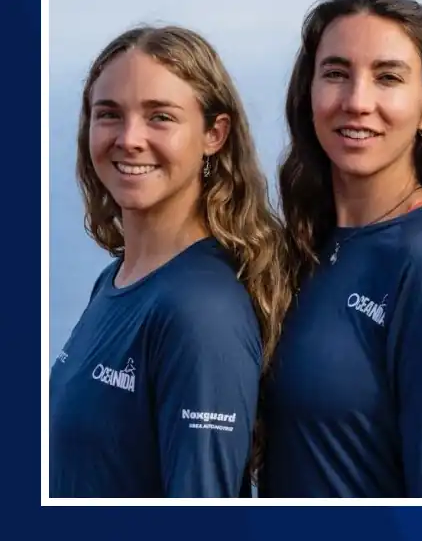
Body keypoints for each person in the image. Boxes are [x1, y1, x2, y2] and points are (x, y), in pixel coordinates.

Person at [257, 0, 422, 498]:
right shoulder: (305, 245)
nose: (356, 102)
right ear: (308, 94)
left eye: (388, 77)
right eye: (336, 74)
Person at [49, 25, 291, 498]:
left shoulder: (201, 309)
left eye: (160, 117)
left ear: (214, 134)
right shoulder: (115, 280)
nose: (129, 138)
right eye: (109, 114)